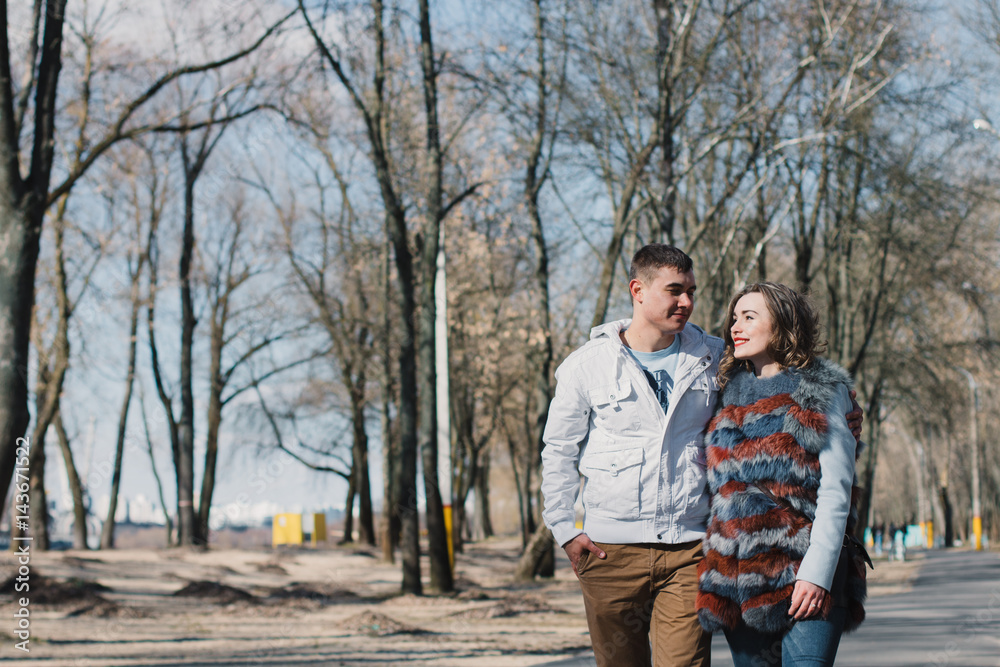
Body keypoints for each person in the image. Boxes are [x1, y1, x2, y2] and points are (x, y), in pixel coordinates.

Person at [541, 246, 862, 667]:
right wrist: (564, 526)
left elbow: (791, 388)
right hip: (610, 551)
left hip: (688, 549)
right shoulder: (588, 366)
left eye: (691, 290)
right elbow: (559, 450)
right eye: (675, 291)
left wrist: (842, 408)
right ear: (638, 290)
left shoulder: (712, 358)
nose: (688, 302)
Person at [696, 282, 866, 667]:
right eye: (734, 318)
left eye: (750, 317)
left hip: (806, 572)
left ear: (782, 326)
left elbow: (836, 493)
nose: (735, 327)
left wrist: (817, 575)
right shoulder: (723, 398)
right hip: (738, 580)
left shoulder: (820, 391)